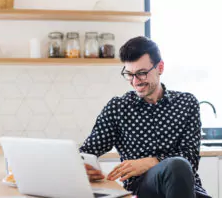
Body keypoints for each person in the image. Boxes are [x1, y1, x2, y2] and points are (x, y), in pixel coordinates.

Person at [79, 36, 210, 198]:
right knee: (177, 164)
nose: (135, 81)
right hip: (143, 189)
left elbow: (190, 158)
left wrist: (151, 161)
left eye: (141, 73)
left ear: (160, 67)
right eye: (129, 74)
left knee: (178, 165)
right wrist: (84, 167)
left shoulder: (187, 103)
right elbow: (87, 152)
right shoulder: (118, 107)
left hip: (187, 189)